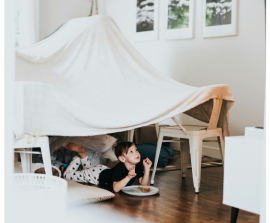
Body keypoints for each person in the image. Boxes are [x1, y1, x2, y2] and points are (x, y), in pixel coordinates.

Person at [63, 141, 152, 193]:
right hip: (96, 175)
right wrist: (128, 177)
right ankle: (78, 158)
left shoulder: (138, 166)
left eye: (136, 150)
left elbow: (143, 185)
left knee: (86, 170)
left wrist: (147, 169)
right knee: (67, 175)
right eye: (131, 151)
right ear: (122, 158)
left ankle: (83, 156)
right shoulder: (120, 167)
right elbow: (116, 188)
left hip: (104, 170)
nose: (136, 152)